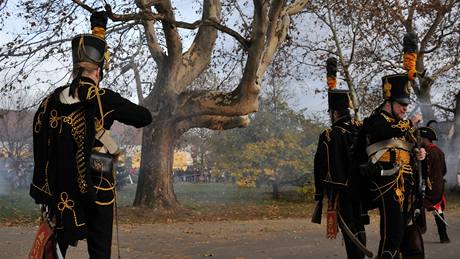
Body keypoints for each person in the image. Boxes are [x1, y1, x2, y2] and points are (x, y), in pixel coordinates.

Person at [30, 11, 152, 258]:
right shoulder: (104, 98)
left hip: (60, 184)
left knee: (56, 244)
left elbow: (41, 140)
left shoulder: (50, 100)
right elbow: (144, 117)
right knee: (99, 250)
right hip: (97, 179)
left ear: (76, 68)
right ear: (98, 71)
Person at [356, 73, 426, 259]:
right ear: (389, 102)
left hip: (406, 182)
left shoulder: (400, 125)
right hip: (386, 181)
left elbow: (412, 148)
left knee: (402, 232)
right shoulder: (376, 120)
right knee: (392, 233)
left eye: (406, 105)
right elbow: (384, 132)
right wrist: (409, 123)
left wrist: (420, 154)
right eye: (402, 105)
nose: (405, 109)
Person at [312, 57, 367, 259]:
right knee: (359, 225)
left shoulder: (329, 134)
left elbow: (320, 167)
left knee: (349, 228)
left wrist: (320, 194)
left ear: (334, 113)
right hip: (361, 189)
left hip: (341, 192)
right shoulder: (359, 129)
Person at [419, 126, 450, 243]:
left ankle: (417, 234)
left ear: (424, 139)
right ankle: (444, 237)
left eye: (420, 138)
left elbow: (425, 171)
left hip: (431, 186)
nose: (419, 141)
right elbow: (444, 170)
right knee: (437, 210)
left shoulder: (428, 152)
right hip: (438, 185)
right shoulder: (439, 151)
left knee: (418, 205)